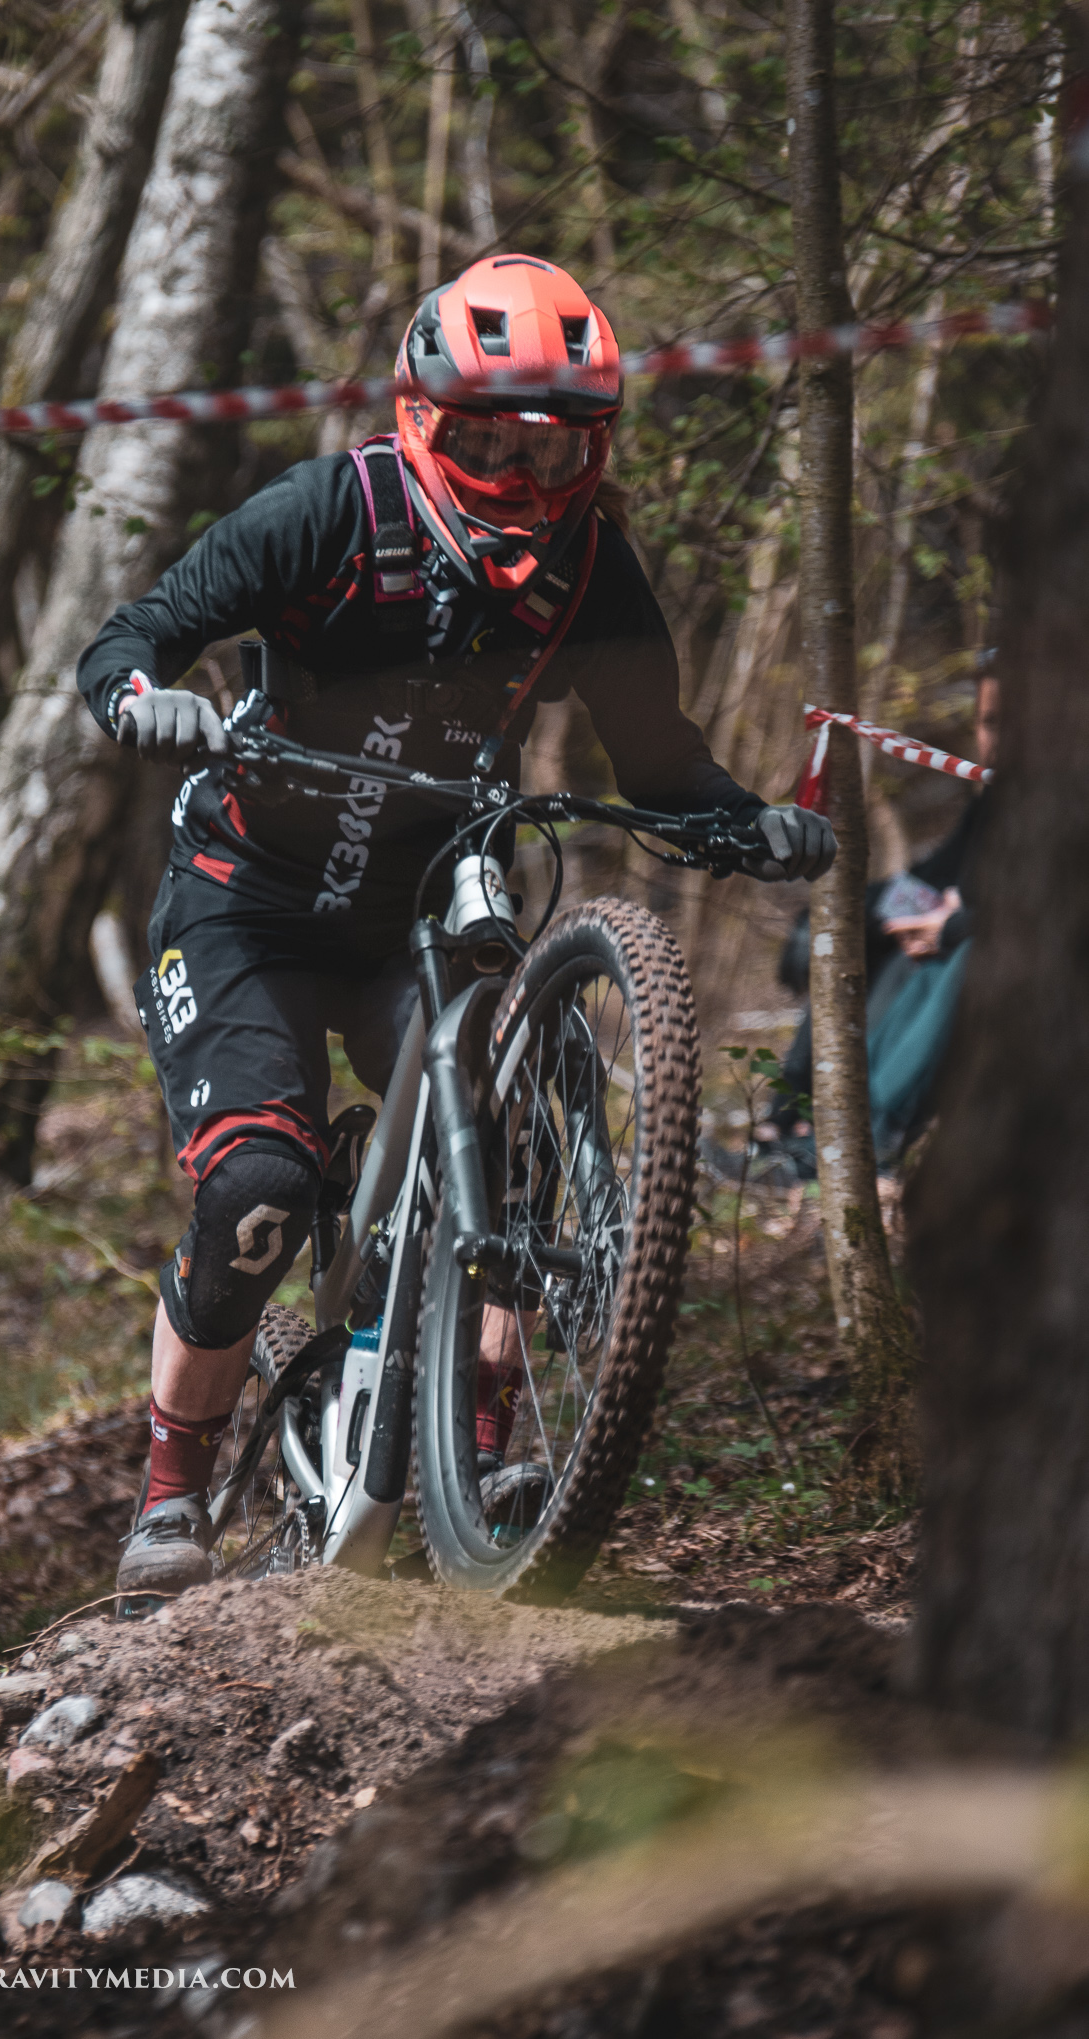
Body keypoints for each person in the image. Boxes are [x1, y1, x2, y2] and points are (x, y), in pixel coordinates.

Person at [76, 255, 837, 1606]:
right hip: (243, 903)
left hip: (413, 922)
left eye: (554, 446)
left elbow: (660, 760)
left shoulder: (590, 570)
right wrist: (145, 699)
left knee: (519, 1126)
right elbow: (135, 635)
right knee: (259, 1191)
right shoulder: (327, 510)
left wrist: (753, 825)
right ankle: (171, 1492)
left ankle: (480, 1458)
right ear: (425, 416)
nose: (520, 473)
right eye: (489, 439)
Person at [763, 672, 997, 1176]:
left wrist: (953, 928)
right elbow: (925, 881)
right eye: (989, 722)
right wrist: (836, 916)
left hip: (988, 965)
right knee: (854, 940)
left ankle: (869, 1139)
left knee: (959, 958)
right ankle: (786, 1125)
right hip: (945, 950)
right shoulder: (992, 805)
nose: (997, 740)